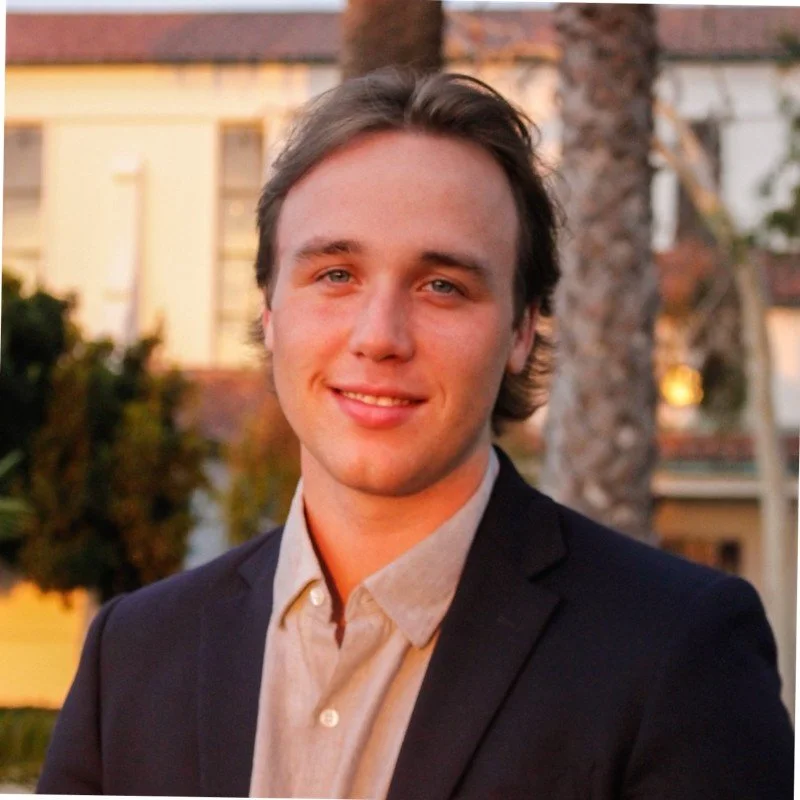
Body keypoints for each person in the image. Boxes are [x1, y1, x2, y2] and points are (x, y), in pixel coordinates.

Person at [38, 70, 792, 800]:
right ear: (270, 310)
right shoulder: (133, 654)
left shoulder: (677, 652)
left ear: (523, 329)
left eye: (442, 286)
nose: (380, 337)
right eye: (336, 274)